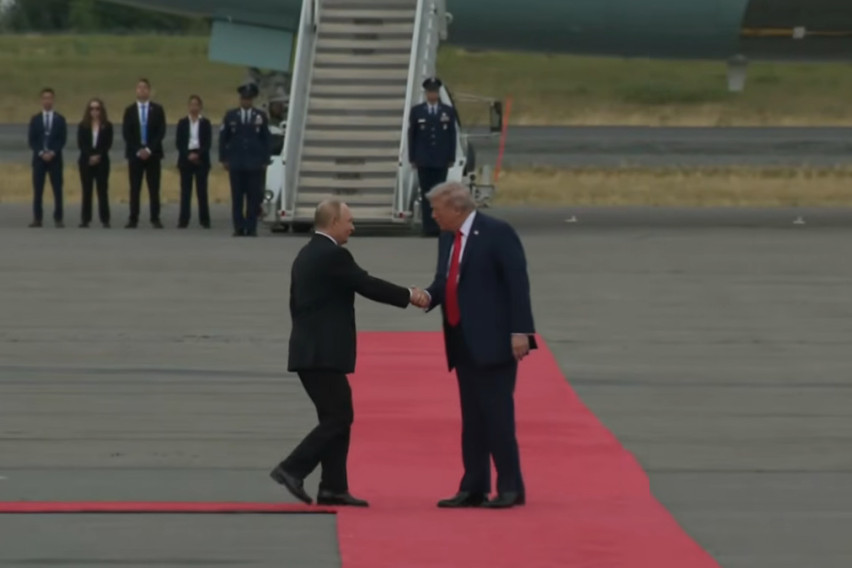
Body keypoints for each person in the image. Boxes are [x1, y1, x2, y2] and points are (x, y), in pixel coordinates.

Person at [270, 199, 428, 507]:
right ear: (333, 223)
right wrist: (410, 295)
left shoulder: (308, 253)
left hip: (311, 350)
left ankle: (334, 487)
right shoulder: (333, 255)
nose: (353, 227)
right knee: (339, 417)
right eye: (349, 221)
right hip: (321, 353)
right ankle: (292, 468)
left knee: (336, 417)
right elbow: (366, 284)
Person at [413, 181, 536, 509]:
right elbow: (445, 281)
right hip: (461, 339)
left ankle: (511, 487)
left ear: (456, 208)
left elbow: (517, 283)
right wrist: (428, 297)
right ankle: (474, 486)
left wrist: (521, 331)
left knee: (497, 417)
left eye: (436, 210)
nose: (433, 216)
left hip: (494, 340)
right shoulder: (447, 237)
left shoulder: (497, 232)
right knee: (473, 420)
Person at [218, 82, 271, 237]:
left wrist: (265, 160)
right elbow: (223, 138)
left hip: (254, 163)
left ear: (252, 100)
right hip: (236, 162)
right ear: (240, 99)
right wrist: (224, 158)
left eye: (249, 99)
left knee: (253, 197)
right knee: (237, 197)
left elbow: (266, 139)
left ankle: (251, 226)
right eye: (244, 99)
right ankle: (239, 226)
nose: (246, 101)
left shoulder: (260, 116)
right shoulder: (231, 116)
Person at [408, 77, 457, 237]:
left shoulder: (447, 111)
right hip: (423, 159)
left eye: (435, 92)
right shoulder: (417, 111)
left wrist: (451, 157)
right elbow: (412, 136)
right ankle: (428, 227)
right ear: (426, 93)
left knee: (440, 194)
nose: (432, 95)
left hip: (441, 159)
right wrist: (412, 157)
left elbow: (451, 136)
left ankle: (440, 226)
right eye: (430, 92)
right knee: (426, 194)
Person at [122, 78, 167, 229]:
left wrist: (149, 149)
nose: (142, 90)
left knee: (154, 188)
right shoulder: (129, 111)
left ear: (149, 91)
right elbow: (127, 133)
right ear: (136, 90)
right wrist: (138, 149)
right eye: (139, 88)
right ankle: (133, 218)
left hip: (153, 155)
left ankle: (155, 217)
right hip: (135, 155)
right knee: (135, 188)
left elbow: (161, 131)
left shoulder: (157, 109)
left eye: (145, 88)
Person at [27, 87, 67, 228]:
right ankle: (37, 218)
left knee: (57, 189)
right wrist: (41, 152)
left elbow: (62, 139)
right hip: (39, 160)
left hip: (55, 160)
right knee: (38, 189)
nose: (47, 101)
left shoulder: (60, 119)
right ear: (41, 100)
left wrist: (53, 152)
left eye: (49, 98)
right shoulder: (35, 119)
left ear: (53, 100)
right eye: (45, 98)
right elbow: (32, 140)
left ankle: (58, 218)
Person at [175, 94, 212, 229]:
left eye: (196, 105)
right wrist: (188, 154)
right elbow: (179, 143)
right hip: (186, 158)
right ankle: (183, 220)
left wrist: (198, 154)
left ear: (200, 107)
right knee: (185, 192)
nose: (194, 107)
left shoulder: (205, 123)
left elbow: (207, 143)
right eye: (191, 104)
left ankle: (205, 220)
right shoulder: (182, 122)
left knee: (202, 191)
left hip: (201, 158)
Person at [76, 97, 113, 228]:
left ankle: (105, 219)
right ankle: (85, 219)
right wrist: (90, 156)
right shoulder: (83, 125)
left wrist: (98, 155)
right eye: (92, 109)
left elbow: (108, 144)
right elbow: (81, 144)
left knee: (102, 190)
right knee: (87, 190)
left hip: (102, 162)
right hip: (86, 162)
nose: (95, 111)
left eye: (97, 108)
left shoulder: (107, 126)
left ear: (101, 110)